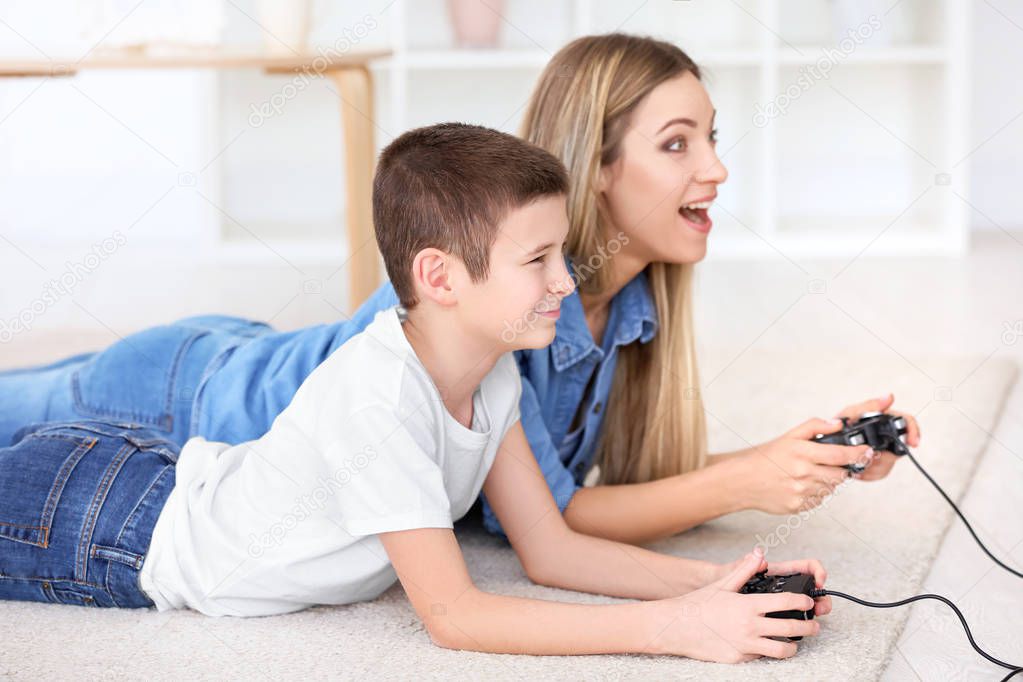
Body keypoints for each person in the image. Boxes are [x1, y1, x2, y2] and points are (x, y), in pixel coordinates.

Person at [0, 34, 920, 546]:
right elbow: (553, 525)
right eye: (678, 143)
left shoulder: (623, 309)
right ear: (593, 167)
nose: (717, 169)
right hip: (199, 396)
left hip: (231, 351)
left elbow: (573, 497)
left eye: (713, 136)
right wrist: (742, 483)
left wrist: (795, 458)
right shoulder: (510, 308)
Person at [0, 123, 830, 661]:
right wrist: (672, 634)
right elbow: (457, 616)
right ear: (439, 278)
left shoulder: (491, 370)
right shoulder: (379, 398)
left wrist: (721, 582)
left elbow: (552, 552)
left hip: (156, 473)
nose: (561, 281)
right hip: (105, 528)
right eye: (535, 260)